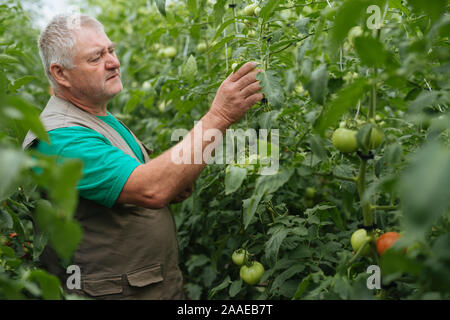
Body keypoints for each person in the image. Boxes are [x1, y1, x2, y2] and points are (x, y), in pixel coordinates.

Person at [21, 13, 263, 299]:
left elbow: (140, 181)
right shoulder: (58, 137)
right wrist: (220, 116)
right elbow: (151, 189)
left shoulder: (98, 117)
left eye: (111, 50)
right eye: (96, 58)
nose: (113, 62)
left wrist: (173, 179)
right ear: (60, 73)